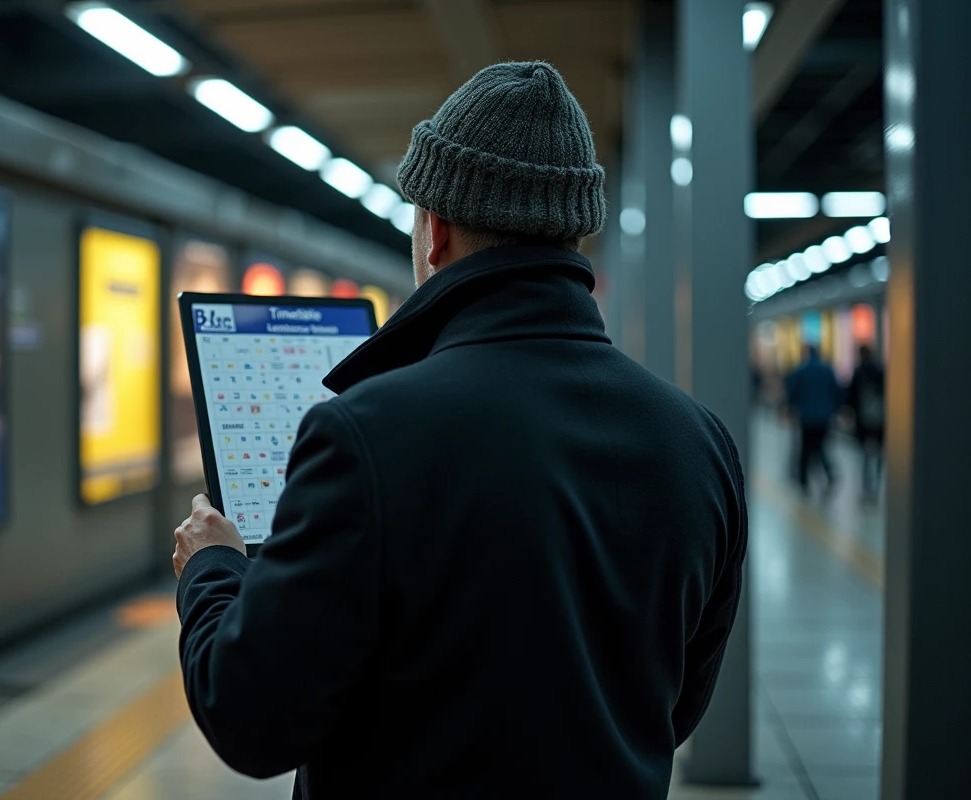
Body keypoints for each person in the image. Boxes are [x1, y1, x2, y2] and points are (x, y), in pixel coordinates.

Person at [172, 62, 748, 799]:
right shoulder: (699, 443)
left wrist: (214, 572)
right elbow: (673, 707)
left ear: (435, 232)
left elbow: (251, 718)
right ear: (576, 237)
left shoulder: (365, 433)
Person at [785, 344, 842, 494]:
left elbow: (793, 393)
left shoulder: (802, 371)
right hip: (824, 417)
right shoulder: (827, 370)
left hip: (807, 417)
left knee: (805, 448)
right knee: (821, 446)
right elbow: (836, 392)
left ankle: (803, 481)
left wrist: (790, 407)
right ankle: (829, 474)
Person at [846, 344, 886, 502]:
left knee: (864, 454)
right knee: (878, 453)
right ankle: (876, 487)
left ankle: (866, 487)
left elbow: (851, 396)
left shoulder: (858, 372)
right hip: (880, 419)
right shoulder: (881, 371)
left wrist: (850, 411)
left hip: (862, 420)